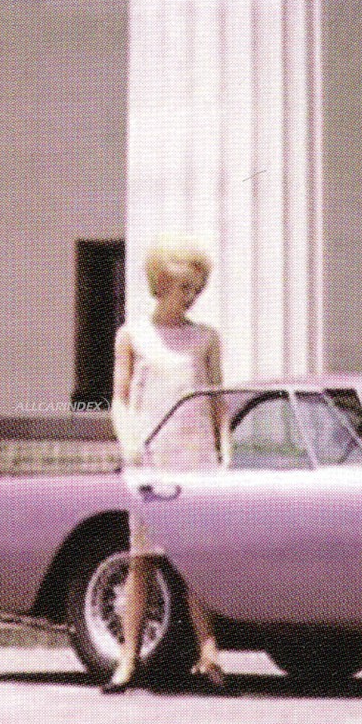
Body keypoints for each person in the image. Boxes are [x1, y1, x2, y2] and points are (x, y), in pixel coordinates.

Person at [103, 237, 226, 693]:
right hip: (151, 458)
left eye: (195, 288)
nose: (190, 296)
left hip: (197, 459)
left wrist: (226, 454)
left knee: (198, 561)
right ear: (160, 285)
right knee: (141, 561)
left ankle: (210, 654)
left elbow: (217, 400)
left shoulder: (206, 337)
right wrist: (129, 441)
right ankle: (127, 659)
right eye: (182, 287)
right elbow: (119, 399)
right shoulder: (131, 335)